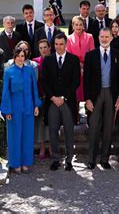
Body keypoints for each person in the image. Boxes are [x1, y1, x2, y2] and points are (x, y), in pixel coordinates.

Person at [83, 27, 119, 169]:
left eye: (107, 37)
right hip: (95, 95)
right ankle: (91, 159)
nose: (104, 39)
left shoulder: (118, 54)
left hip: (111, 94)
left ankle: (104, 159)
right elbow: (86, 80)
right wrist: (87, 99)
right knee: (94, 127)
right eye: (102, 37)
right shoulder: (90, 55)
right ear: (98, 38)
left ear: (111, 38)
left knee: (108, 128)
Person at [42, 34, 81, 171]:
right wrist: (53, 97)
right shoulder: (47, 60)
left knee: (69, 131)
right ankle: (56, 159)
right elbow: (44, 81)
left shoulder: (73, 60)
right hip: (52, 101)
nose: (59, 47)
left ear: (66, 44)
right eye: (56, 44)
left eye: (61, 44)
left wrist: (63, 97)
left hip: (67, 101)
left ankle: (69, 159)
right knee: (53, 131)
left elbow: (76, 81)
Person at [0, 47, 41, 174]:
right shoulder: (8, 71)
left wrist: (36, 105)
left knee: (27, 136)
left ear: (25, 57)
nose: (20, 58)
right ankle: (15, 163)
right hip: (14, 108)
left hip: (28, 107)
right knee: (14, 136)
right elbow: (5, 92)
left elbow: (35, 89)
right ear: (14, 56)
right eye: (18, 56)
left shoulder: (30, 70)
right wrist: (7, 111)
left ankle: (26, 162)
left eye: (22, 56)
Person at [66, 16, 95, 105]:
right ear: (73, 26)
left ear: (83, 26)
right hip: (74, 69)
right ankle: (76, 117)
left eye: (80, 25)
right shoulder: (69, 38)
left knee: (88, 94)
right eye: (76, 25)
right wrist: (79, 66)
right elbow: (69, 55)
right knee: (76, 96)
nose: (78, 27)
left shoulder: (90, 37)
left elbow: (92, 53)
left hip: (87, 69)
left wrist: (84, 66)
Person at [33, 39, 52, 160]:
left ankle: (51, 147)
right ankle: (42, 147)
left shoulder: (54, 60)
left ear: (49, 48)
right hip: (39, 96)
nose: (43, 50)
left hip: (51, 97)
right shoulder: (35, 62)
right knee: (40, 123)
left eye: (45, 47)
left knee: (51, 122)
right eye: (41, 48)